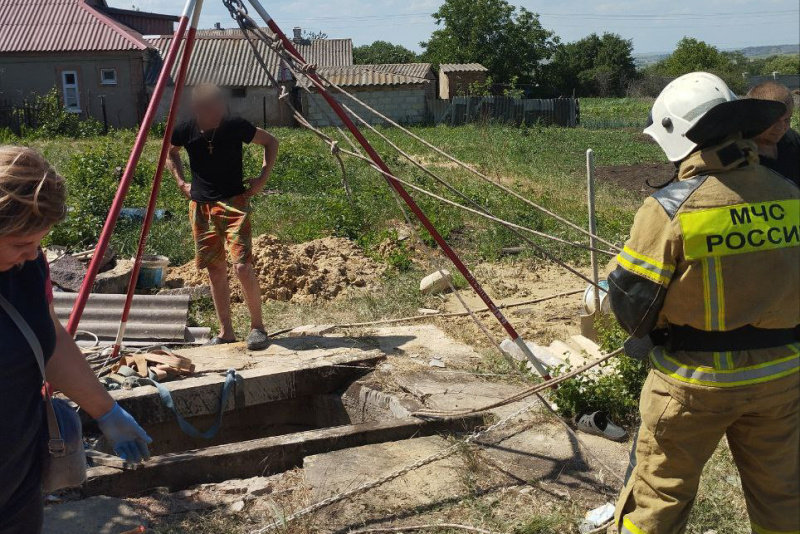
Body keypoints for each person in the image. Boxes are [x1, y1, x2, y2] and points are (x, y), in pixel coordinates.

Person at [608, 72, 799, 534]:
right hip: (781, 379)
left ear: (676, 136)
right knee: (783, 499)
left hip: (693, 385)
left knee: (657, 500)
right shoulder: (790, 195)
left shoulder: (668, 210)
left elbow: (632, 308)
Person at [0, 147, 152, 534]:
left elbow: (48, 338)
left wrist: (106, 410)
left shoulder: (28, 268)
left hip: (17, 480)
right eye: (21, 245)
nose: (33, 255)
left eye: (39, 243)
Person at [167, 83, 279, 350]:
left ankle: (257, 328)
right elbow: (170, 152)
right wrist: (181, 182)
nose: (216, 112)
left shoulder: (234, 126)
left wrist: (262, 178)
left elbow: (271, 141)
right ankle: (226, 332)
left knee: (242, 266)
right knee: (215, 270)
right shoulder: (185, 129)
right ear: (197, 109)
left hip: (234, 204)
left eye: (219, 106)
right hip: (201, 209)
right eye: (209, 108)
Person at [746, 81, 800, 186]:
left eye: (787, 119)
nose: (781, 128)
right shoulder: (739, 153)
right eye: (774, 120)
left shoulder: (792, 139)